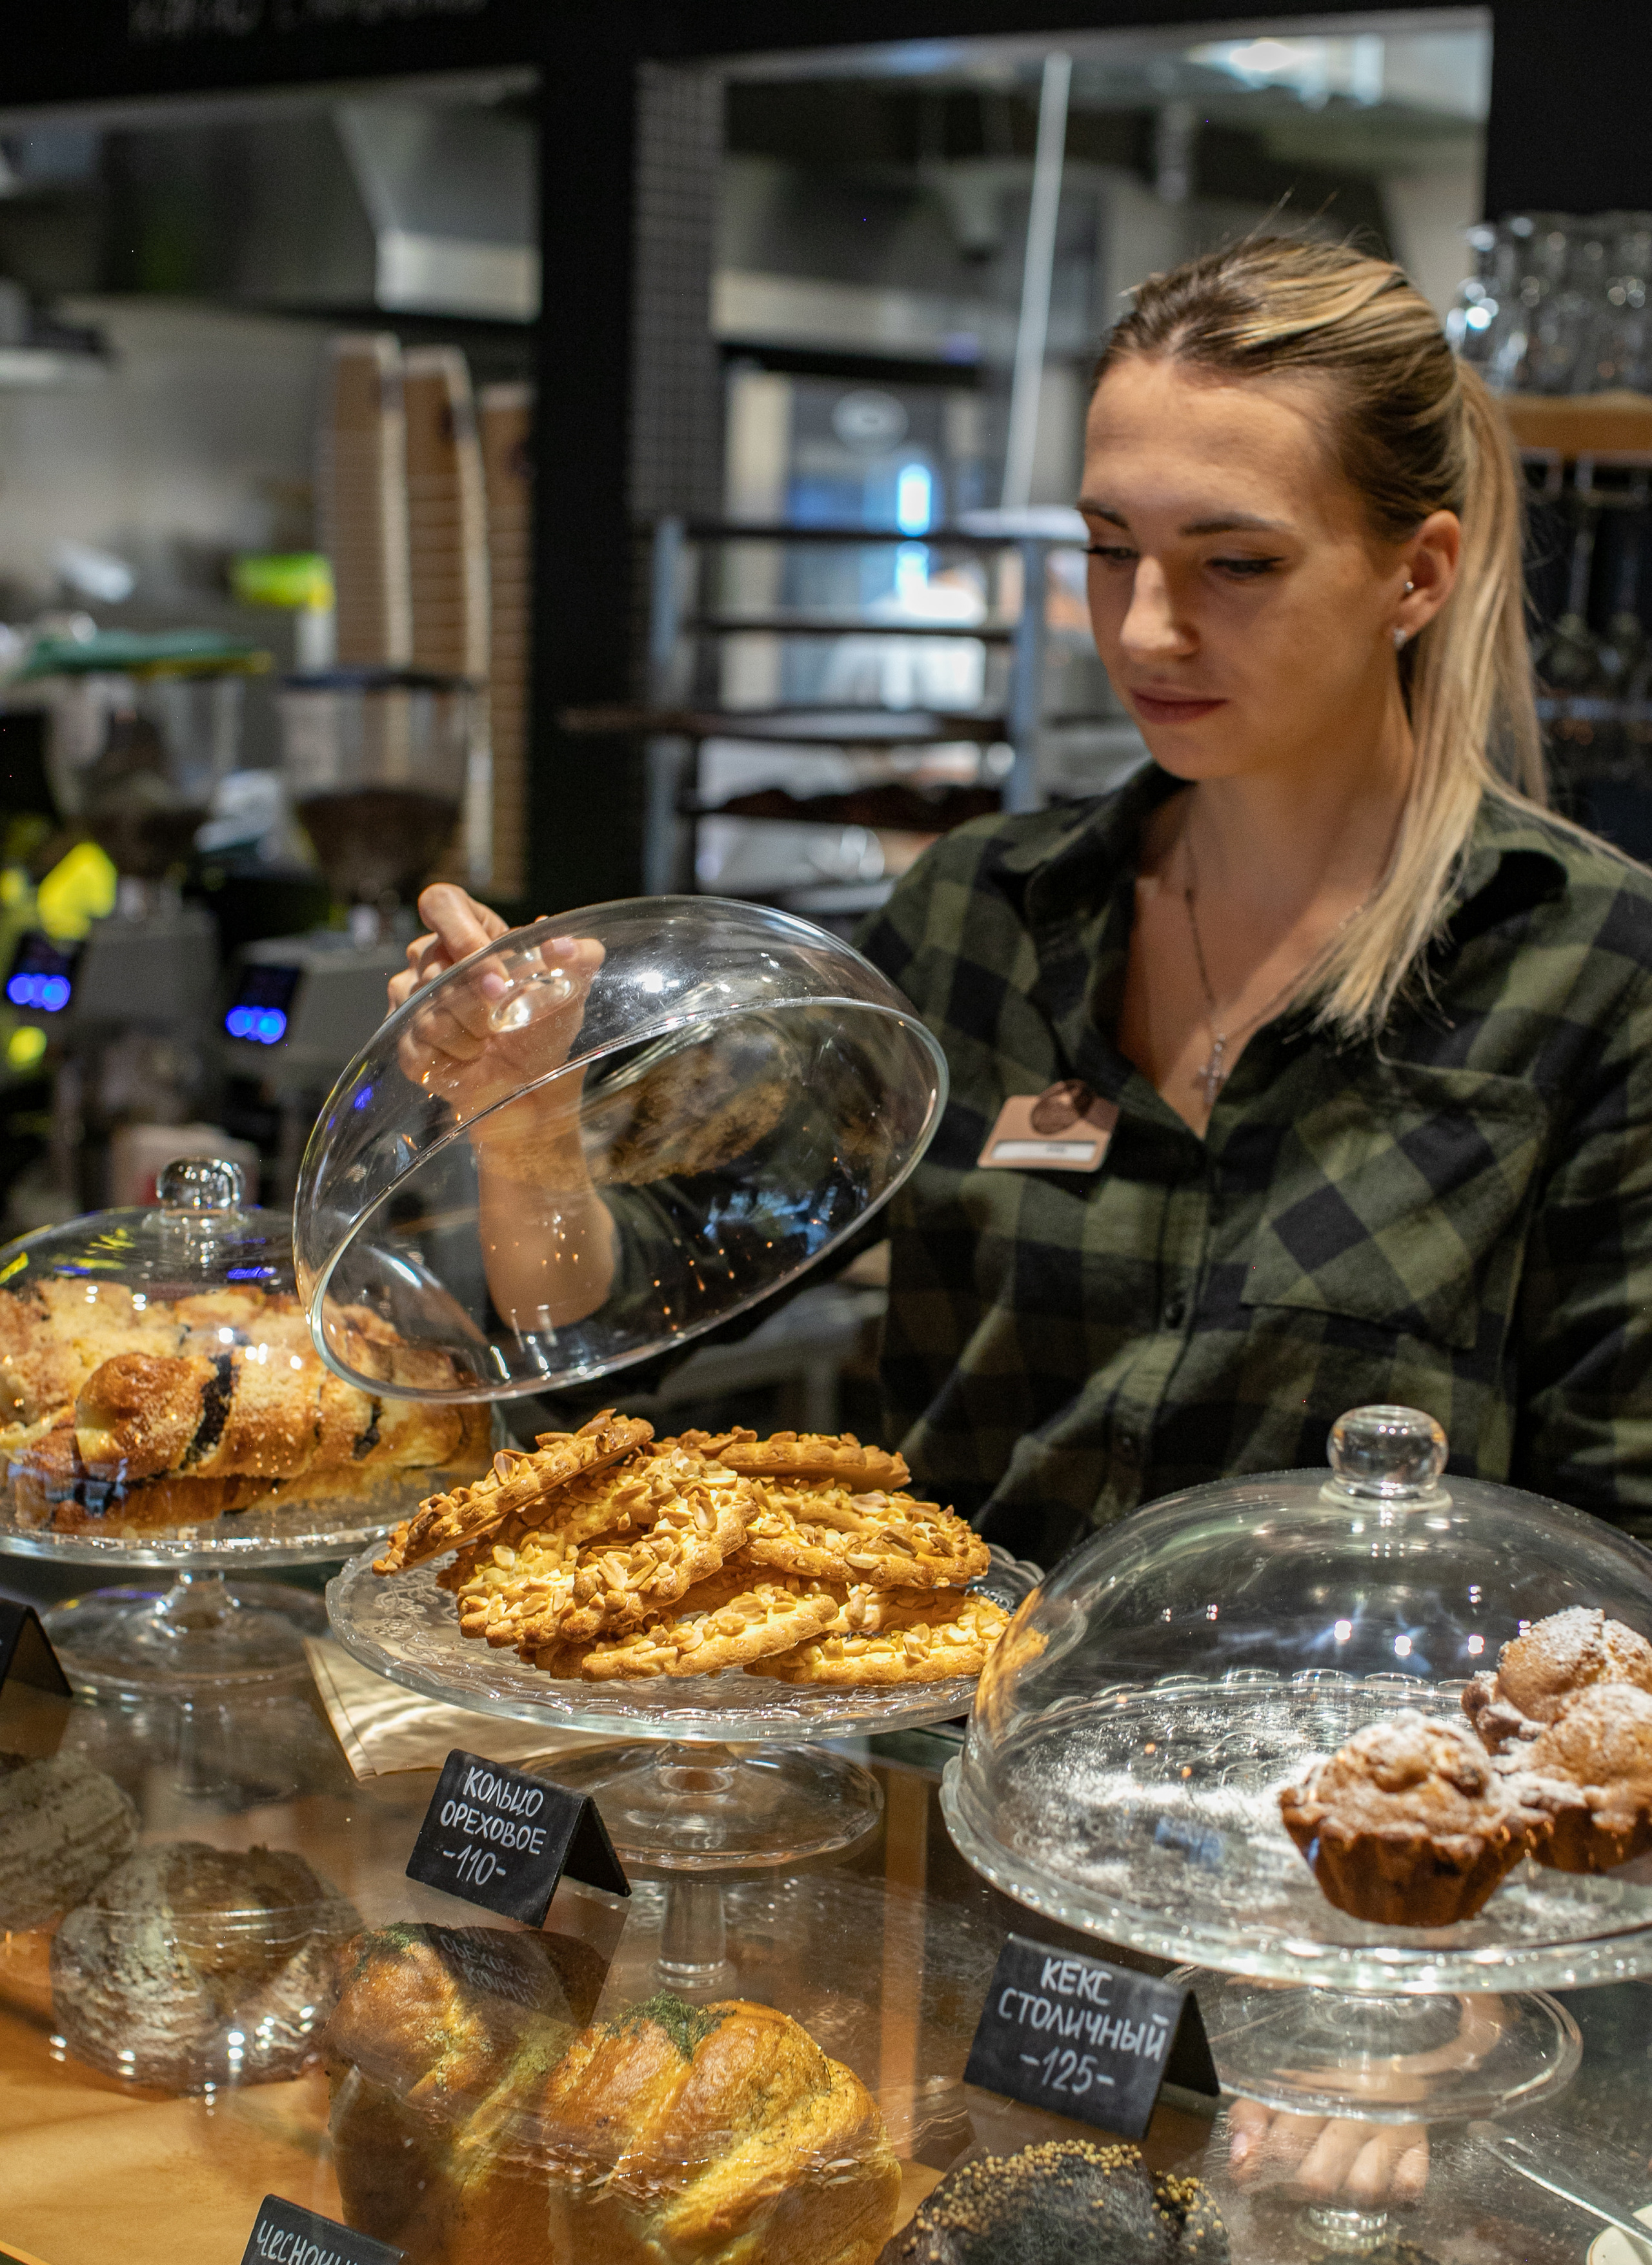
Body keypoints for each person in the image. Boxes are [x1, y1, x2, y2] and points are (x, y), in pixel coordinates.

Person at [394, 233, 1652, 1580]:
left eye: (1233, 565)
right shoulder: (980, 918)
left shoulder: (1584, 968)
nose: (1144, 630)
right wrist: (529, 1143)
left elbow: (1614, 1551)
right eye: (1111, 549)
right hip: (955, 1766)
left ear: (1416, 574)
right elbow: (616, 1332)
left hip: (1354, 1781)